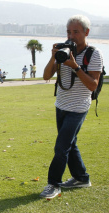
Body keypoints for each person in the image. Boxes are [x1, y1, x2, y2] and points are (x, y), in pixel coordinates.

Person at [39, 15, 103, 199]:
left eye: (76, 32)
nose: (71, 35)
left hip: (78, 108)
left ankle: (53, 184)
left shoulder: (93, 54)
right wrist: (54, 57)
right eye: (69, 31)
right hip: (61, 105)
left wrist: (75, 66)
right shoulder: (63, 51)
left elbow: (93, 84)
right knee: (70, 144)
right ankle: (81, 178)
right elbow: (45, 76)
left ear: (86, 32)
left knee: (61, 147)